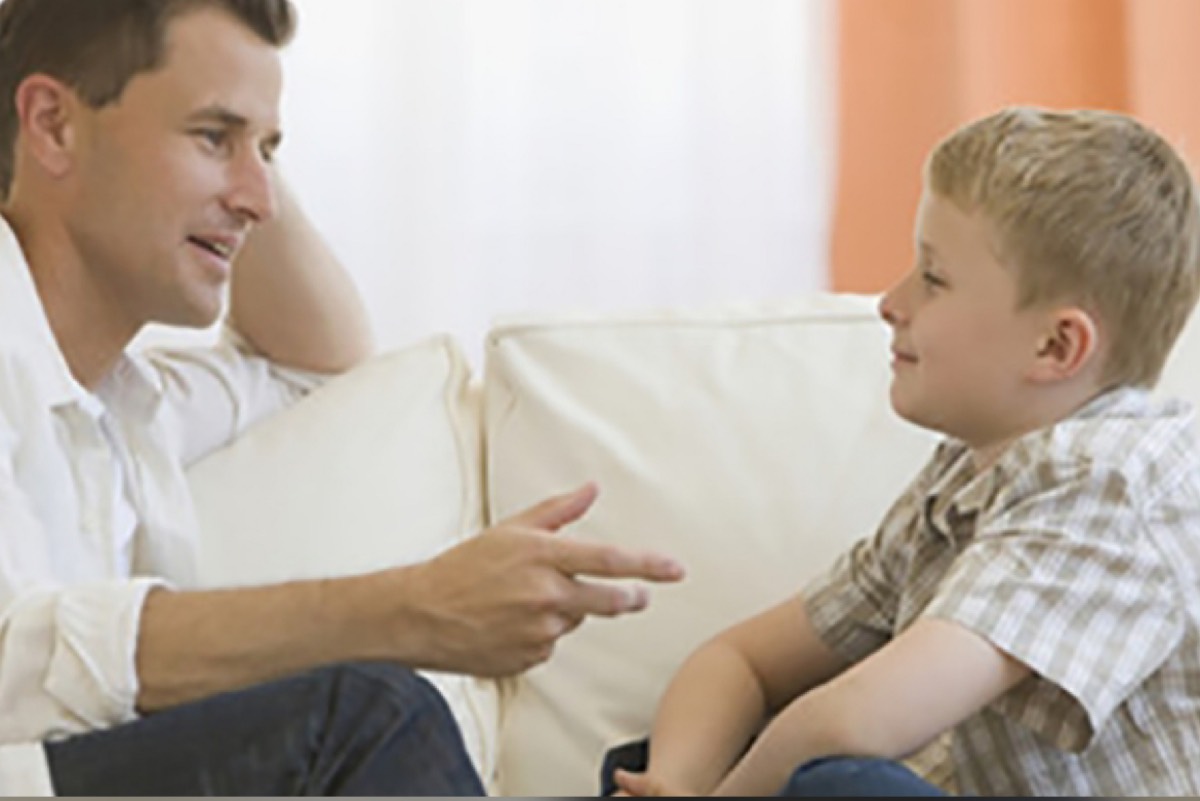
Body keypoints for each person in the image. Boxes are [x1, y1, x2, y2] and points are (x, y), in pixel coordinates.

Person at [0, 0, 685, 795]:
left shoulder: (124, 404)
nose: (260, 200)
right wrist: (412, 607)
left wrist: (238, 140)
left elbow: (318, 364)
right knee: (368, 715)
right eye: (212, 135)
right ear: (52, 124)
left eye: (269, 149)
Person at [611, 107, 1200, 797]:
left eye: (933, 278)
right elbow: (739, 660)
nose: (891, 302)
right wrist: (676, 784)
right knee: (658, 756)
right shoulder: (960, 483)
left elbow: (858, 718)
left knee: (845, 782)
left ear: (1054, 346)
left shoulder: (1115, 481)